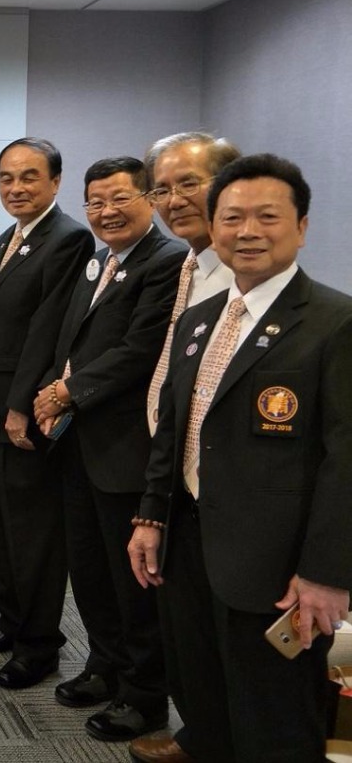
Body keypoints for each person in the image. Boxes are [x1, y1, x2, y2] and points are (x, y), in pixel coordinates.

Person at [128, 155, 351, 763]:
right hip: (188, 543)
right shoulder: (199, 319)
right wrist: (150, 516)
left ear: (302, 226)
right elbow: (175, 430)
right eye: (231, 218)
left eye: (267, 217)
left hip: (275, 565)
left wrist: (328, 572)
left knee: (272, 714)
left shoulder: (335, 323)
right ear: (214, 226)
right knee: (200, 686)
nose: (247, 231)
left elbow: (347, 461)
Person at [31, 156, 185, 742]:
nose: (106, 211)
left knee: (131, 580)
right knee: (90, 569)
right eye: (95, 201)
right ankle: (104, 666)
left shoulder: (166, 262)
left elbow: (140, 349)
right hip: (79, 444)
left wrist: (65, 391)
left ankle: (144, 696)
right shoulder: (100, 260)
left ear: (149, 199)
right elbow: (71, 343)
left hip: (125, 448)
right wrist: (55, 391)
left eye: (120, 198)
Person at [0, 138, 94, 689]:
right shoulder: (11, 236)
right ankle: (11, 624)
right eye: (7, 177)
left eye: (29, 177)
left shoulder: (68, 239)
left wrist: (19, 407)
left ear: (56, 182)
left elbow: (46, 331)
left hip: (20, 415)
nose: (15, 188)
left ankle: (39, 645)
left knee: (32, 537)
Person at [143, 132, 241, 434]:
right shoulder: (183, 267)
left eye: (189, 184)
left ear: (229, 185)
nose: (174, 201)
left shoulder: (246, 278)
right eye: (161, 190)